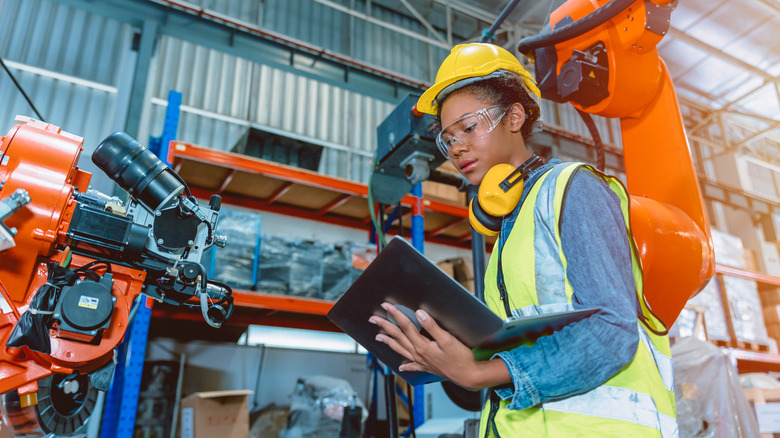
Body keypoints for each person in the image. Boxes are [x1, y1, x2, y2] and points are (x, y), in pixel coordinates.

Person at [368, 43, 677, 437]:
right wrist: (446, 356)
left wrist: (479, 371)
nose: (457, 147)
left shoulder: (573, 188)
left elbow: (611, 331)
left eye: (469, 127)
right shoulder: (509, 229)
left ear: (515, 116)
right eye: (447, 139)